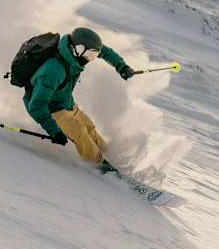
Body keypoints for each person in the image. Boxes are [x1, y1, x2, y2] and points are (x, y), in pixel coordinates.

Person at [23, 27, 135, 173]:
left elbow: (105, 52)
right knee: (80, 132)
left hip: (66, 103)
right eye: (89, 55)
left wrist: (121, 66)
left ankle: (108, 156)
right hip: (50, 109)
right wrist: (54, 131)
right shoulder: (53, 70)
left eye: (93, 56)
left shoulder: (75, 55)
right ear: (78, 49)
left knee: (89, 128)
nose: (89, 59)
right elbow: (36, 105)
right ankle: (100, 166)